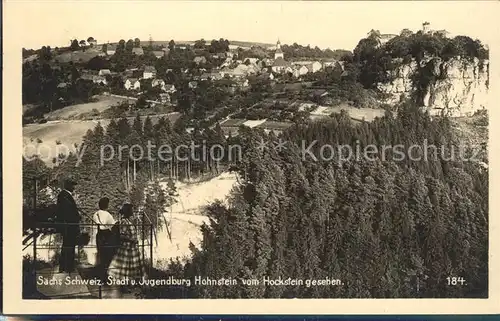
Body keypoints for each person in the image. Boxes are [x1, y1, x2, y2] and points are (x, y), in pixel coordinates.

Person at [108, 204, 145, 294]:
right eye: (131, 210)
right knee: (124, 268)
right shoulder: (124, 221)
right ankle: (124, 287)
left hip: (131, 248)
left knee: (130, 268)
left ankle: (128, 285)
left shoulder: (128, 220)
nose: (133, 211)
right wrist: (132, 240)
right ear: (128, 211)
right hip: (126, 247)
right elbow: (122, 235)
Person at [56, 178, 80, 273]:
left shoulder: (64, 195)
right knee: (69, 246)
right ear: (68, 186)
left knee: (68, 246)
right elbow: (68, 211)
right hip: (69, 226)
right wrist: (77, 217)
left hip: (69, 226)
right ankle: (67, 267)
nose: (74, 187)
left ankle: (66, 267)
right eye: (72, 185)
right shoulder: (64, 195)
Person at [93, 197, 116, 280]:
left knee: (101, 255)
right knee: (107, 256)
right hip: (106, 236)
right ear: (106, 205)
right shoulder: (107, 214)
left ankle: (100, 275)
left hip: (99, 236)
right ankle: (105, 276)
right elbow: (113, 225)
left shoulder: (96, 214)